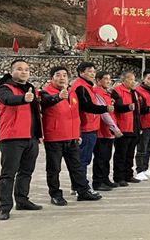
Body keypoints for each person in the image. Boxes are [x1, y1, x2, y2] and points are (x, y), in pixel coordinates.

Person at [40, 66, 102, 205]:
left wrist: (77, 133)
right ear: (52, 78)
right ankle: (55, 194)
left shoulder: (72, 93)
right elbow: (47, 101)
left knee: (77, 166)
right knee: (54, 168)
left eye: (64, 75)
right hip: (54, 138)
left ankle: (83, 191)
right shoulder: (45, 93)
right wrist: (58, 96)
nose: (62, 78)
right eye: (58, 75)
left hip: (72, 137)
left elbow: (75, 115)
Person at [0, 60, 43, 221]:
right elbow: (8, 100)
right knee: (8, 174)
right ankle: (4, 207)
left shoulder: (31, 89)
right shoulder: (4, 88)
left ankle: (22, 200)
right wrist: (24, 98)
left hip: (31, 138)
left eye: (26, 69)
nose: (24, 72)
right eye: (19, 69)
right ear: (11, 72)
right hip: (12, 138)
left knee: (26, 172)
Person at [71, 62, 111, 191]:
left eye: (94, 71)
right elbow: (86, 106)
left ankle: (80, 185)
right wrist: (105, 108)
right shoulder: (80, 87)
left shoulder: (88, 86)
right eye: (89, 71)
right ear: (81, 72)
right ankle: (81, 187)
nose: (92, 74)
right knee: (83, 159)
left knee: (84, 159)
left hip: (91, 126)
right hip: (85, 128)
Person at [92, 71, 123, 190]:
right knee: (100, 158)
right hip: (102, 130)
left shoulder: (106, 93)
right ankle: (98, 182)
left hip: (108, 131)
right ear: (98, 81)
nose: (108, 81)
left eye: (109, 79)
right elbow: (104, 113)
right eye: (105, 79)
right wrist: (114, 128)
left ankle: (105, 179)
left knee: (106, 157)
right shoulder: (97, 92)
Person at [111, 71, 142, 186]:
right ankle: (119, 177)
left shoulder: (134, 92)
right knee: (121, 154)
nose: (133, 81)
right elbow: (117, 107)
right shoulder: (117, 91)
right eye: (130, 79)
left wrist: (139, 127)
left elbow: (138, 111)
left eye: (134, 79)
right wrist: (127, 107)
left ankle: (128, 175)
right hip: (123, 128)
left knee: (130, 154)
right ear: (123, 80)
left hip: (134, 127)